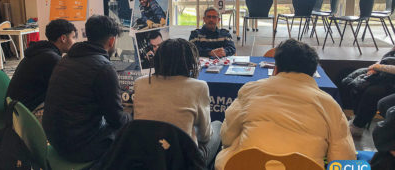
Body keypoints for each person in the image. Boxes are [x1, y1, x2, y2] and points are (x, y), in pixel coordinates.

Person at [215, 39, 356, 170]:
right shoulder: (329, 105)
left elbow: (227, 136)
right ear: (313, 73)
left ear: (275, 68)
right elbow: (344, 158)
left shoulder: (250, 90)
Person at [42, 15, 131, 163]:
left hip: (53, 138)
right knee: (129, 129)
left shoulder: (66, 59)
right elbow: (116, 119)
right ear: (111, 40)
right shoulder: (104, 68)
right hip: (78, 147)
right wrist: (132, 115)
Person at [134, 38, 222, 169]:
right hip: (182, 162)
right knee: (218, 125)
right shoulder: (199, 86)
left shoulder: (140, 83)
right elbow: (205, 136)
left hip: (146, 156)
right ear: (189, 61)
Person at [6, 19, 77, 111]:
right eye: (73, 37)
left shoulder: (41, 51)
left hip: (16, 109)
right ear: (63, 38)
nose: (75, 41)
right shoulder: (51, 58)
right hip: (24, 114)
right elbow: (66, 89)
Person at [342, 47, 395, 137]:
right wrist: (374, 67)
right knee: (352, 82)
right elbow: (387, 57)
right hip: (385, 73)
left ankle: (357, 126)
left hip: (390, 78)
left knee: (372, 92)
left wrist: (379, 67)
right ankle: (357, 118)